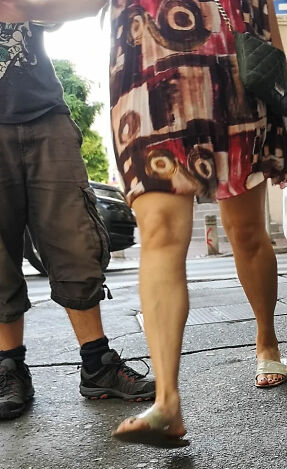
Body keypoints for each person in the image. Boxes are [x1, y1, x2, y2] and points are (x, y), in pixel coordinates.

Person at [1, 0, 287, 447]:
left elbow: (263, 7)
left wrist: (283, 78)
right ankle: (167, 403)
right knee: (159, 233)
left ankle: (267, 339)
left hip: (232, 66)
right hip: (146, 69)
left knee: (246, 233)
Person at [0, 17, 155, 421]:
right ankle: (8, 365)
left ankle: (97, 363)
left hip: (44, 114)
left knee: (74, 237)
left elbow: (56, 11)